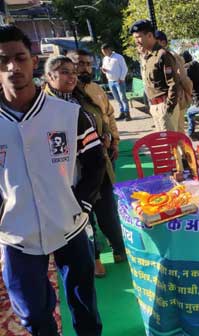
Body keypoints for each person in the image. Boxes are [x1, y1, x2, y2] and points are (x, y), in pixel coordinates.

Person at [0, 25, 104, 335]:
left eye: (20, 58)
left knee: (84, 307)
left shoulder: (68, 114)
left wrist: (81, 205)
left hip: (69, 224)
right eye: (3, 60)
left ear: (33, 60)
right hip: (17, 234)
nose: (12, 67)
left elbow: (96, 161)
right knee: (33, 314)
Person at [66, 49, 127, 277]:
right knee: (85, 213)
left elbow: (108, 115)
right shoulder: (58, 95)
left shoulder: (95, 89)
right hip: (75, 166)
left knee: (108, 208)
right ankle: (95, 258)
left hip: (102, 158)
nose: (84, 68)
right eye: (79, 64)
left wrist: (114, 140)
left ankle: (119, 248)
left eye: (88, 63)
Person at [129, 20, 183, 132]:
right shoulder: (147, 56)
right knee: (166, 144)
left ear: (149, 35)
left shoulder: (162, 55)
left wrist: (169, 107)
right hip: (155, 106)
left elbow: (173, 82)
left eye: (138, 37)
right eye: (135, 38)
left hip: (164, 105)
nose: (136, 41)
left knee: (171, 144)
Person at [155, 30, 193, 131]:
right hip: (168, 100)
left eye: (156, 41)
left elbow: (183, 77)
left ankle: (183, 147)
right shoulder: (156, 56)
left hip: (175, 99)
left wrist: (188, 93)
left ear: (163, 42)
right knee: (178, 132)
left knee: (177, 133)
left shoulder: (170, 56)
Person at [101, 43, 130, 121]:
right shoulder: (105, 59)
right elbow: (105, 68)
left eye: (104, 51)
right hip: (110, 81)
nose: (103, 53)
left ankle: (127, 114)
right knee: (117, 98)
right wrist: (104, 70)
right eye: (102, 52)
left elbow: (125, 68)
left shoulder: (118, 57)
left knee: (122, 97)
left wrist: (121, 78)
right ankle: (122, 112)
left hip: (119, 81)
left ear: (108, 49)